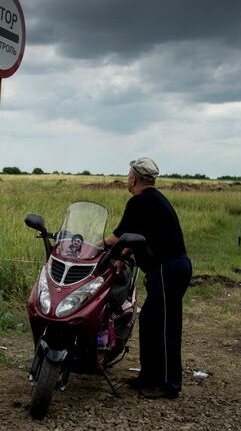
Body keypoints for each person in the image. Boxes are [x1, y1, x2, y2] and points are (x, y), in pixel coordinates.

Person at [102, 157, 192, 399]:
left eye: (128, 175)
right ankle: (148, 377)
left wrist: (95, 245)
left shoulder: (140, 201)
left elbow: (118, 236)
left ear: (133, 178)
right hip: (171, 268)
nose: (127, 179)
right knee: (151, 321)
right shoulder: (154, 200)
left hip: (167, 269)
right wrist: (123, 254)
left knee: (165, 327)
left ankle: (169, 385)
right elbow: (141, 235)